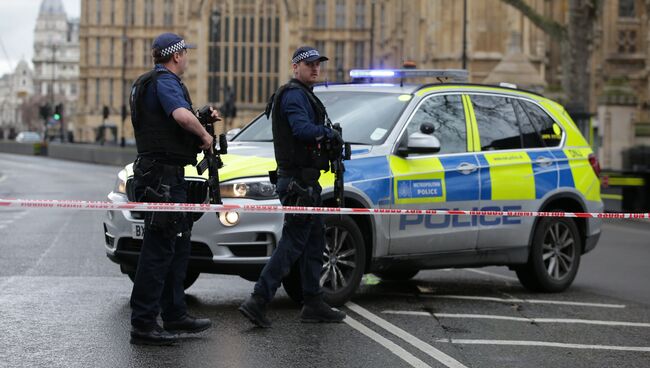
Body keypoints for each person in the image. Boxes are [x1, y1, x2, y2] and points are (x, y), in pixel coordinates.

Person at [239, 46, 346, 327]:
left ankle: (313, 302)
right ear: (295, 66)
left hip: (305, 181)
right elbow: (301, 130)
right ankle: (258, 300)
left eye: (318, 64)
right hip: (297, 182)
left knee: (314, 242)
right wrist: (328, 134)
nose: (315, 68)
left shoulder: (302, 94)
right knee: (292, 243)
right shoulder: (295, 95)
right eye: (309, 63)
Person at [128, 33, 219, 345]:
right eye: (185, 53)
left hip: (162, 174)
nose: (188, 57)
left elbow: (169, 123)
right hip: (162, 178)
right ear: (176, 55)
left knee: (176, 245)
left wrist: (202, 117)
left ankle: (174, 312)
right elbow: (180, 116)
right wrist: (205, 137)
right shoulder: (165, 81)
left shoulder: (147, 82)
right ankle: (143, 324)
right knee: (158, 250)